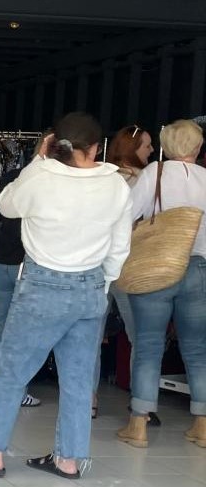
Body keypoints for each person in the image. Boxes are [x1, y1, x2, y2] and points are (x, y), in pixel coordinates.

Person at [0, 112, 131, 480]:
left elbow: (5, 206)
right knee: (78, 379)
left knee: (11, 371)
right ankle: (68, 460)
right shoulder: (116, 185)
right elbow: (120, 245)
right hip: (90, 287)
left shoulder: (39, 176)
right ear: (96, 148)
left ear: (54, 145)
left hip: (42, 285)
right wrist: (104, 283)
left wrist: (37, 161)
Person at [117, 119, 206, 449]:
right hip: (197, 269)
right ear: (197, 148)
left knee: (148, 345)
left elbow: (126, 216)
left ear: (167, 146)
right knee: (197, 350)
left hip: (156, 267)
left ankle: (138, 425)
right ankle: (202, 425)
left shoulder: (155, 173)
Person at [0, 134, 52, 408]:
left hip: (0, 259)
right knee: (22, 330)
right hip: (24, 263)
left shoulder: (13, 177)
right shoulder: (49, 184)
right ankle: (15, 391)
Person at [95, 124, 153, 420]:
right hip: (131, 267)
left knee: (91, 335)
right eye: (146, 146)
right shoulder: (147, 181)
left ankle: (88, 399)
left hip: (98, 264)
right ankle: (140, 405)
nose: (152, 151)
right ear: (133, 149)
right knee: (139, 336)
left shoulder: (103, 177)